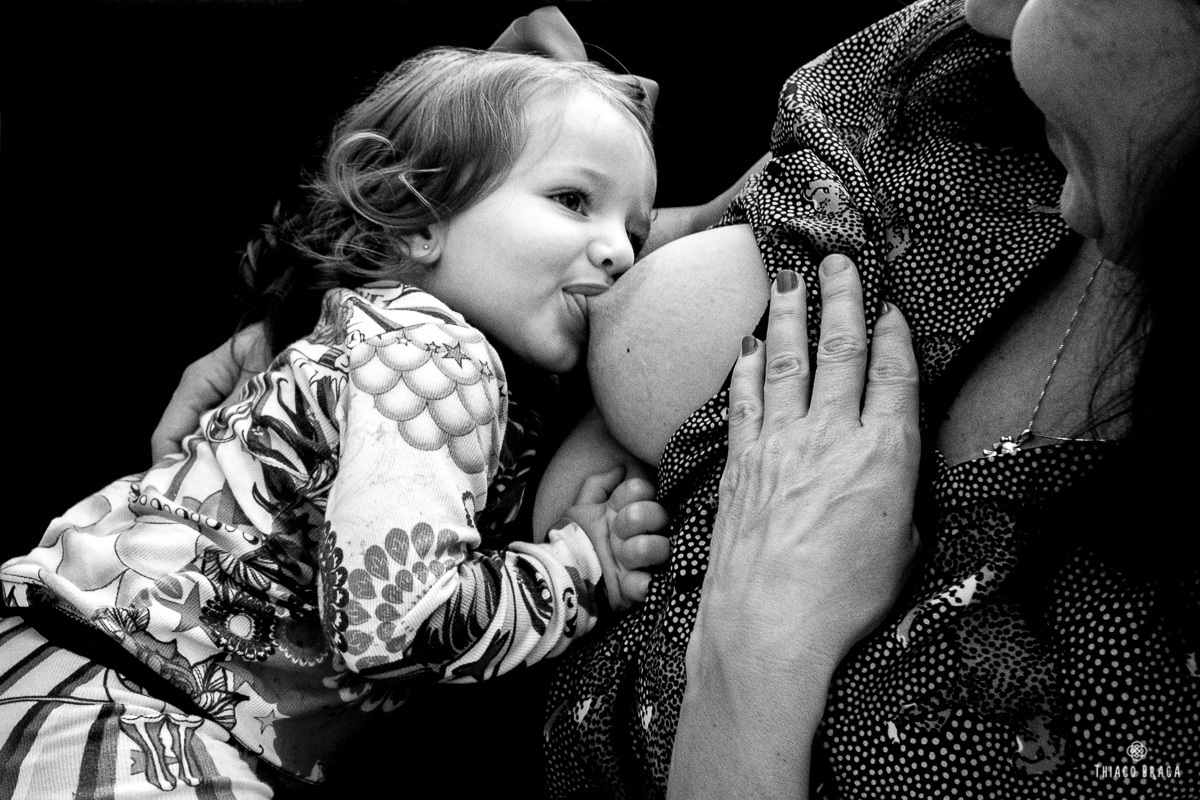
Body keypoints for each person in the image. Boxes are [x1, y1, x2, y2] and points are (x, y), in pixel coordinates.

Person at [136, 0, 1200, 796]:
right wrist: (369, 308)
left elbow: (406, 628)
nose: (983, 8)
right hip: (207, 675)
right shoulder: (961, 72)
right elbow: (679, 222)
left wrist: (753, 649)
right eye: (579, 209)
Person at [0, 46, 674, 798]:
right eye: (573, 200)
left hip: (85, 681)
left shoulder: (377, 337)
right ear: (421, 217)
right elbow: (399, 628)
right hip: (116, 710)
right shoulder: (438, 356)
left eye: (638, 234)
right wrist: (578, 569)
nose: (618, 251)